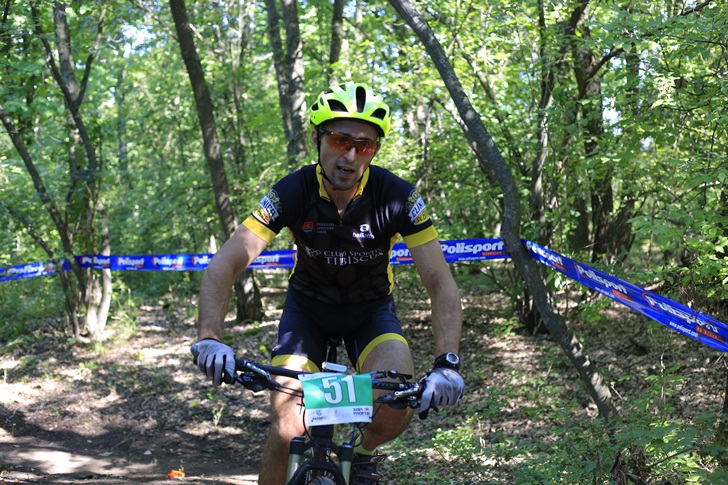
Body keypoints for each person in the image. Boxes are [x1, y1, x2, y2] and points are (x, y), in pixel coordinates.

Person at [192, 82, 464, 485]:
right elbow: (225, 263)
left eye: (364, 145)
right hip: (308, 313)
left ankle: (363, 455)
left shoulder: (397, 197)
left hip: (370, 312)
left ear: (374, 151)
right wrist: (210, 338)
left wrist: (447, 365)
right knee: (287, 427)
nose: (350, 155)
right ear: (316, 139)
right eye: (339, 140)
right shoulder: (292, 191)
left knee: (395, 404)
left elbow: (440, 282)